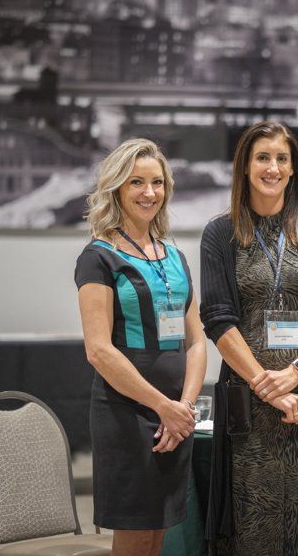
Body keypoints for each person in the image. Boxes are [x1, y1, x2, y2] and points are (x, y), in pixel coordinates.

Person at [200, 121, 298, 554]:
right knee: (253, 524)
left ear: (294, 168)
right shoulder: (221, 233)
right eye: (262, 157)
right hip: (248, 400)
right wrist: (266, 385)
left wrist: (295, 372)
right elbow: (218, 319)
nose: (273, 167)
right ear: (245, 167)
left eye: (282, 158)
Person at [74, 138, 206, 556]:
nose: (149, 193)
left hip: (177, 418)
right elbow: (99, 350)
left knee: (158, 536)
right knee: (133, 536)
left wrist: (183, 408)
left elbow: (197, 339)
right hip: (126, 415)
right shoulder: (98, 257)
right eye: (136, 183)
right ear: (116, 188)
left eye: (157, 183)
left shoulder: (175, 257)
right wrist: (162, 406)